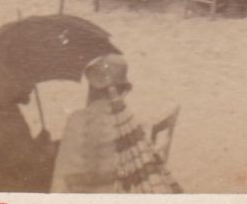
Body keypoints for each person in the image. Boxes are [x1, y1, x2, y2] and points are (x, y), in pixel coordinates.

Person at [52, 54, 180, 193]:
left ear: (92, 88)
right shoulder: (129, 123)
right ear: (122, 90)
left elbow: (60, 178)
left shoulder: (75, 120)